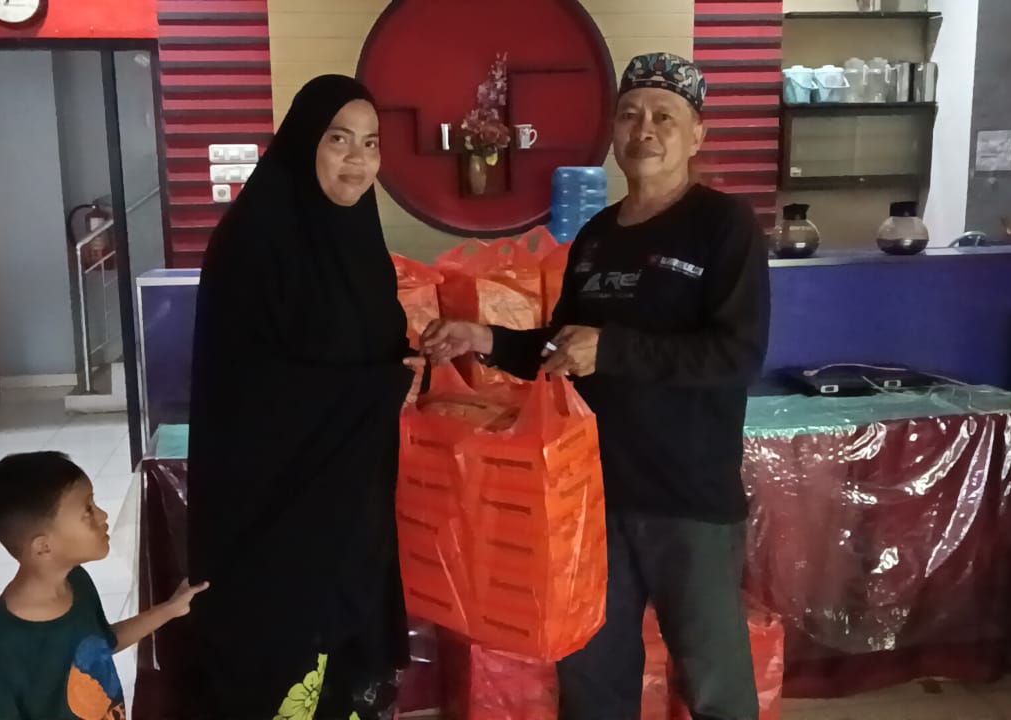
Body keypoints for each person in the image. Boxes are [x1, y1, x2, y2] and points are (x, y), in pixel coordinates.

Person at [423, 52, 770, 720]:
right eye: (631, 114)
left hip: (688, 500)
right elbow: (562, 349)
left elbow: (737, 354)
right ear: (613, 130)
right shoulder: (596, 236)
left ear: (697, 135)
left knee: (715, 685)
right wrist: (485, 338)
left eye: (665, 117)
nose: (646, 129)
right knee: (593, 679)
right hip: (589, 496)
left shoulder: (724, 225)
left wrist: (612, 348)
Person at [186, 75, 422, 720]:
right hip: (272, 513)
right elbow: (251, 386)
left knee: (346, 675)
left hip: (351, 504)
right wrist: (383, 384)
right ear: (302, 142)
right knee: (284, 676)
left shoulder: (358, 240)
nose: (358, 160)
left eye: (371, 143)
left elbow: (370, 345)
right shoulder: (254, 240)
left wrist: (409, 362)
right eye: (338, 140)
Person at [0, 452, 207, 720]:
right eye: (87, 510)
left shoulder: (77, 581)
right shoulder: (3, 646)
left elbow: (103, 643)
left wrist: (171, 608)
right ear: (43, 546)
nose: (103, 515)